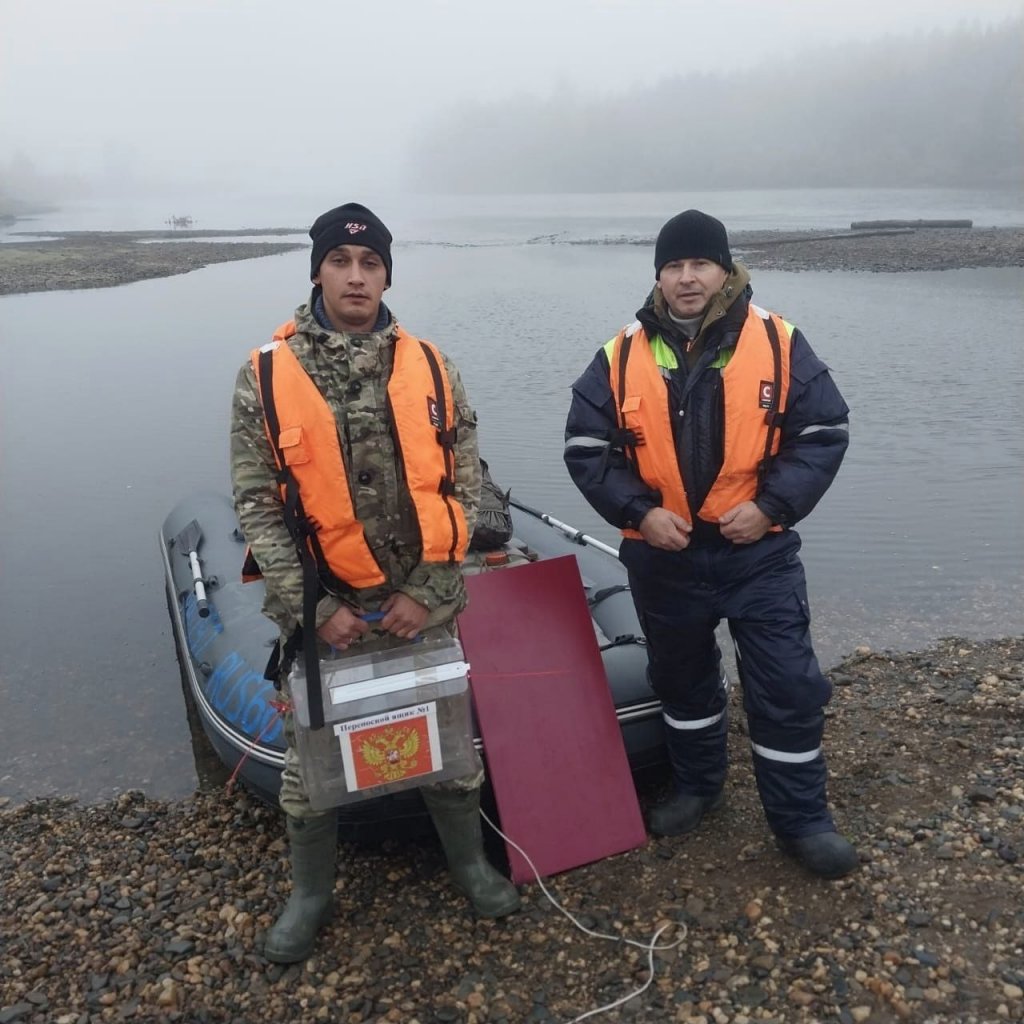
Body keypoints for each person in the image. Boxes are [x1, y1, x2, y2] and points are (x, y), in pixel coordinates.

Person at [230, 202, 520, 964]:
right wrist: (314, 607)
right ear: (318, 270)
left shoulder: (433, 366)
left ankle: (468, 864)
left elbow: (466, 487)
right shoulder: (264, 373)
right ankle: (311, 895)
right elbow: (256, 504)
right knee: (308, 764)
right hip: (325, 611)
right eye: (340, 263)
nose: (356, 278)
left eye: (370, 265)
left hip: (420, 602)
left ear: (387, 274)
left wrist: (428, 588)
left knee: (452, 748)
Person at [563, 209, 858, 879]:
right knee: (682, 682)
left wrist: (771, 507)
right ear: (659, 275)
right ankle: (698, 787)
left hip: (756, 552)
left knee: (785, 683)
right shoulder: (620, 354)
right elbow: (585, 448)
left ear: (725, 270)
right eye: (674, 265)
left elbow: (823, 433)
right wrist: (640, 511)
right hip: (663, 556)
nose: (687, 277)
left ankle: (801, 819)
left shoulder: (780, 343)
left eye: (700, 263)